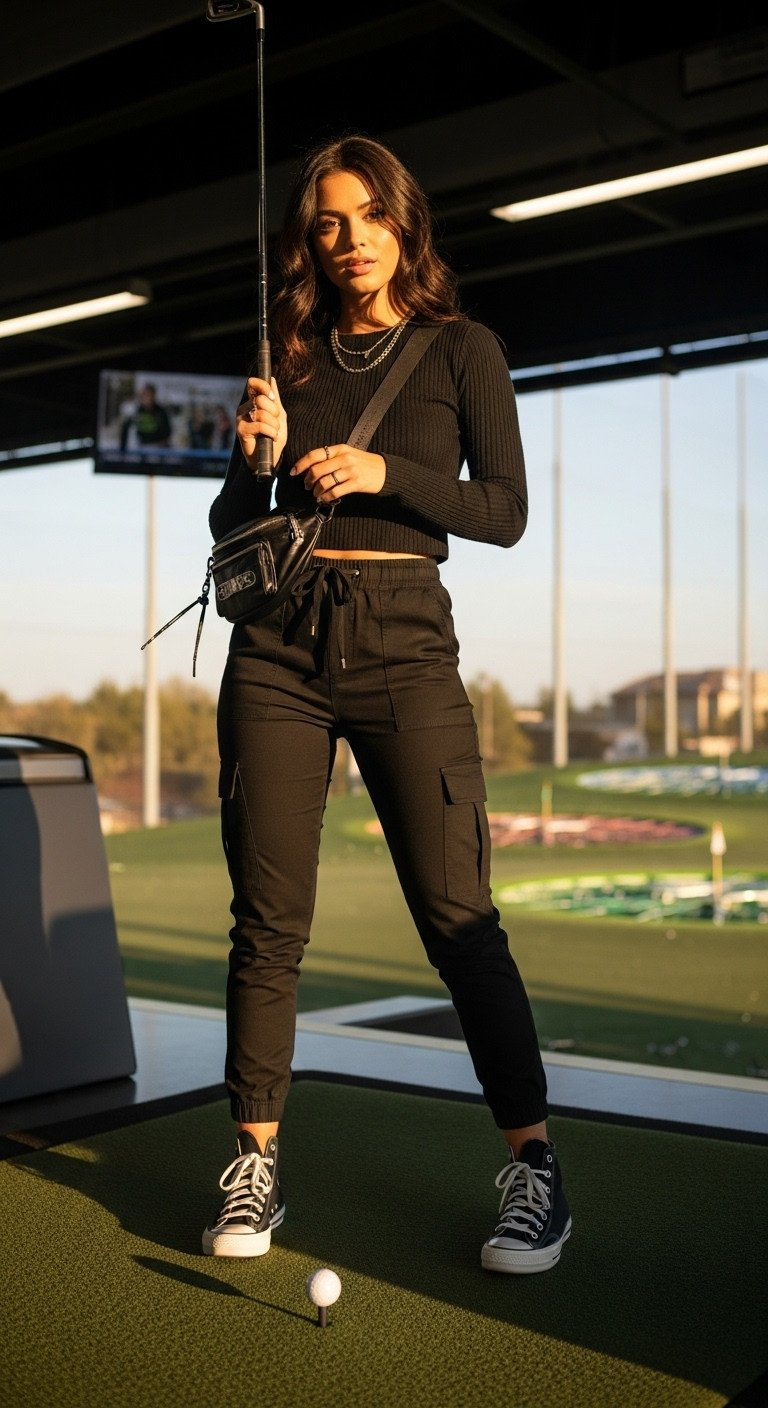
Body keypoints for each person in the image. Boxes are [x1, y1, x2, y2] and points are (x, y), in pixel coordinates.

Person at [202, 133, 571, 1275]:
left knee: (461, 920)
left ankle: (536, 1172)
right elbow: (234, 534)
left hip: (407, 641)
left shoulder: (465, 350)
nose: (348, 238)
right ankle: (254, 1162)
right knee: (268, 924)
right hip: (277, 649)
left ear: (404, 222)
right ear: (308, 240)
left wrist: (383, 476)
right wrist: (252, 461)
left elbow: (503, 510)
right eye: (326, 222)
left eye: (366, 215)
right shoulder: (290, 356)